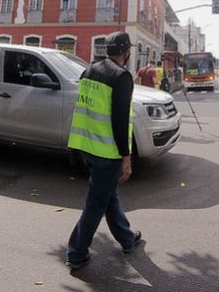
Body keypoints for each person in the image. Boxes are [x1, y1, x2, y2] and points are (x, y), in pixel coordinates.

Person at [66, 31, 142, 270]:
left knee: (108, 196)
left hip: (86, 146)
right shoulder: (121, 77)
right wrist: (126, 158)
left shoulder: (88, 71)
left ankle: (127, 238)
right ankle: (76, 252)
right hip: (107, 152)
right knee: (96, 204)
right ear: (127, 53)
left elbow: (82, 110)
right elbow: (120, 122)